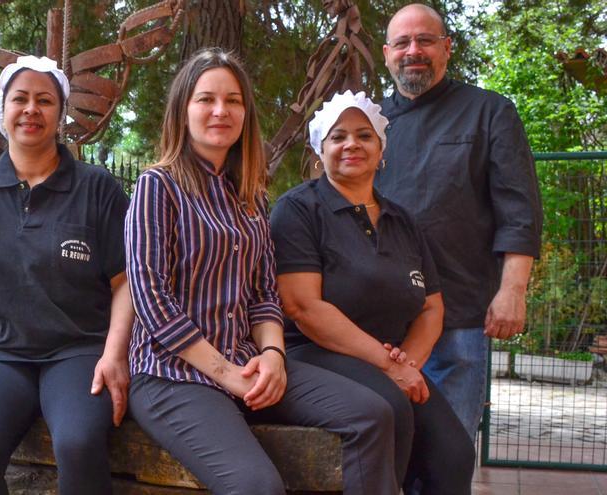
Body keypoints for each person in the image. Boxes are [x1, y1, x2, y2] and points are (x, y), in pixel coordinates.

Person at [125, 48, 398, 495]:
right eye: (206, 99)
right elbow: (153, 303)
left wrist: (273, 356)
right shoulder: (158, 186)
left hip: (248, 361)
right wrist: (228, 374)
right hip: (172, 375)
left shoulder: (250, 196)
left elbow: (263, 294)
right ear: (183, 110)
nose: (221, 110)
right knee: (257, 486)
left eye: (233, 100)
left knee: (372, 414)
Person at [0, 55, 134, 495]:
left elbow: (126, 284)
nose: (31, 109)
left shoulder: (97, 188)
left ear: (60, 114)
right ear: (1, 109)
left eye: (45, 100)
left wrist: (115, 355)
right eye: (19, 99)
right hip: (3, 353)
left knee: (79, 443)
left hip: (79, 350)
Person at [271, 90, 475, 494]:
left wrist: (408, 364)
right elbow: (304, 307)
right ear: (320, 150)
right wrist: (389, 366)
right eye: (338, 136)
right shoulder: (298, 210)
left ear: (381, 149)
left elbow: (431, 307)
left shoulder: (402, 221)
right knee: (390, 408)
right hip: (314, 354)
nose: (352, 144)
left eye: (364, 136)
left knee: (454, 453)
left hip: (393, 359)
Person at [375, 3, 543, 442]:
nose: (414, 51)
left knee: (448, 456)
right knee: (381, 456)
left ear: (447, 48)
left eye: (425, 40)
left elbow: (519, 211)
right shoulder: (367, 124)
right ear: (386, 53)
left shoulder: (490, 112)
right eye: (403, 42)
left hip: (460, 317)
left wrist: (512, 291)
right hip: (378, 322)